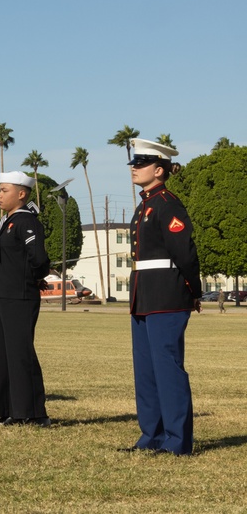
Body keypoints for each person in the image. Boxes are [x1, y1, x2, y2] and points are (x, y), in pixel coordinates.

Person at [121, 139, 202, 456]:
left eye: (141, 164)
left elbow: (185, 253)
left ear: (159, 169)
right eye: (134, 163)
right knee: (146, 370)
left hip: (167, 295)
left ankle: (176, 440)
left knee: (167, 369)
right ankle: (151, 435)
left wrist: (193, 291)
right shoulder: (145, 205)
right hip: (144, 295)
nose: (134, 168)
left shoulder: (168, 204)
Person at [0, 171, 51, 427]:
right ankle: (10, 409)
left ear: (21, 194)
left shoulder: (27, 222)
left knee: (20, 353)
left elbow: (39, 258)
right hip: (3, 294)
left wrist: (33, 277)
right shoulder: (6, 222)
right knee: (3, 355)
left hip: (20, 296)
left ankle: (34, 412)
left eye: (4, 190)